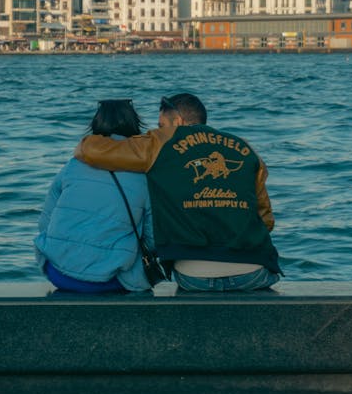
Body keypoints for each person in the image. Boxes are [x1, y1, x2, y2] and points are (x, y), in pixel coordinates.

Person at [74, 92, 282, 292]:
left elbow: (91, 151)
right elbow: (265, 219)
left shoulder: (161, 143)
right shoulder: (245, 147)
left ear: (178, 122)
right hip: (253, 272)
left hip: (193, 277)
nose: (156, 131)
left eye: (161, 126)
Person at [35, 99, 154, 293]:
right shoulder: (143, 175)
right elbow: (152, 237)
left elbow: (44, 223)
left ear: (96, 125)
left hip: (58, 273)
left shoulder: (72, 165)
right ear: (134, 125)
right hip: (112, 279)